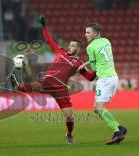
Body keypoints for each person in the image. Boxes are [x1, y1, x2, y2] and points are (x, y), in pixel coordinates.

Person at [10, 16, 96, 144]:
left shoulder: (79, 63)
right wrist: (44, 27)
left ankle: (69, 134)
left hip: (61, 88)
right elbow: (49, 41)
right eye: (69, 45)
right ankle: (18, 86)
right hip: (48, 81)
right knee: (37, 85)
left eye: (72, 46)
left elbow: (89, 78)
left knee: (70, 116)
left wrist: (97, 69)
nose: (69, 47)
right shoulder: (61, 52)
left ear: (78, 49)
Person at [78, 23, 127, 145]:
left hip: (104, 79)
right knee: (96, 108)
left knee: (100, 108)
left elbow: (95, 67)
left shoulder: (90, 47)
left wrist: (85, 66)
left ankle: (117, 132)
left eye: (88, 32)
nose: (85, 35)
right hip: (113, 76)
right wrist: (88, 62)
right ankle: (120, 128)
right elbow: (102, 56)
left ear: (95, 33)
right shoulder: (106, 41)